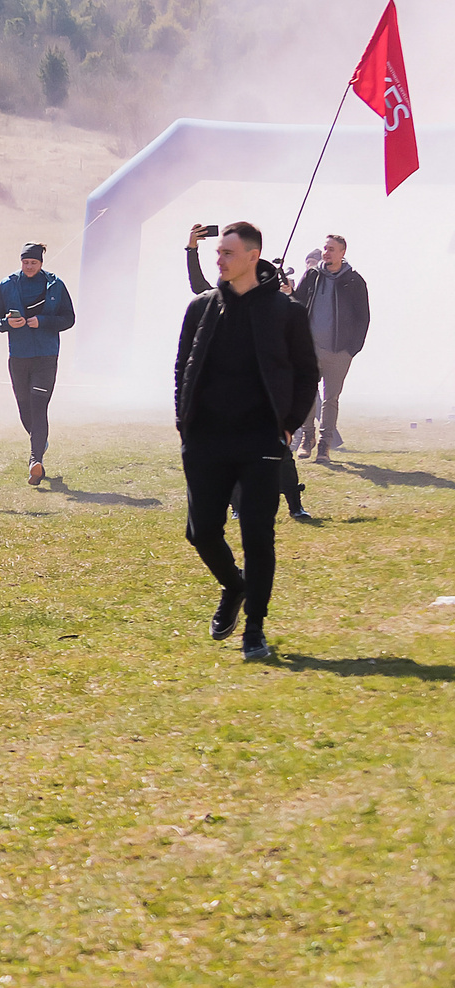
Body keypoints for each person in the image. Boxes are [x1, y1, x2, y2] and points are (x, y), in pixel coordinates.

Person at [175, 221, 320, 662]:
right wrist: (185, 420)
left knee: (257, 535)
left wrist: (289, 423)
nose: (218, 261)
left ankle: (254, 627)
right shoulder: (201, 307)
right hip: (205, 438)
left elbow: (306, 372)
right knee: (200, 532)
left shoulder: (286, 311)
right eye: (217, 253)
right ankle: (234, 586)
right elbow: (182, 367)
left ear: (253, 256)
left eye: (227, 254)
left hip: (261, 438)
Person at [187, 226, 313, 524]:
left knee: (279, 452)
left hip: (265, 391)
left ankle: (295, 503)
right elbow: (197, 285)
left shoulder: (276, 304)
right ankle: (236, 505)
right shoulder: (218, 299)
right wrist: (191, 250)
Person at [0, 242, 77, 486]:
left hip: (47, 355)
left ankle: (35, 460)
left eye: (33, 263)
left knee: (39, 406)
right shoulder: (7, 285)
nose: (28, 266)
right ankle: (40, 440)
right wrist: (6, 324)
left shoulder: (55, 285)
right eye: (25, 262)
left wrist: (44, 321)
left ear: (41, 263)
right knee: (24, 407)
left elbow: (69, 318)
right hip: (18, 355)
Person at [290, 233, 369, 462]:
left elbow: (362, 317)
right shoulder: (312, 276)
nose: (327, 253)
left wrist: (351, 349)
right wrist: (289, 294)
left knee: (330, 398)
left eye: (332, 249)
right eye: (325, 248)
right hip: (309, 347)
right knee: (305, 392)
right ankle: (307, 437)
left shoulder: (354, 280)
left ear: (343, 252)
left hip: (339, 351)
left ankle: (324, 444)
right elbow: (298, 305)